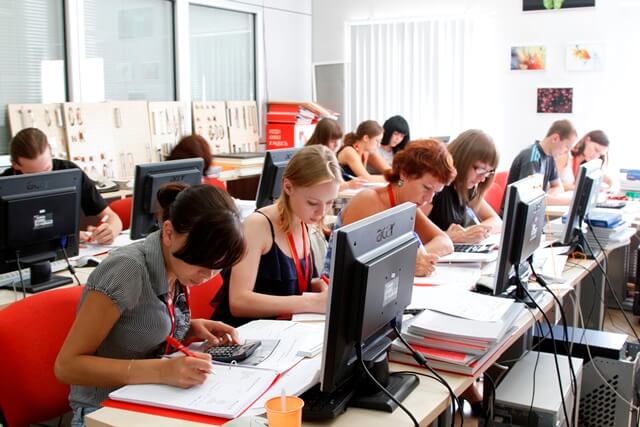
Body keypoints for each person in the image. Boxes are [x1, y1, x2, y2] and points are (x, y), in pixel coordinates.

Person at [55, 183, 246, 427]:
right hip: (103, 412)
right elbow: (67, 366)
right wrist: (162, 371)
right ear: (168, 233)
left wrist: (190, 327)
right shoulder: (126, 270)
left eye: (217, 267)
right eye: (200, 263)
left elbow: (135, 328)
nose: (207, 276)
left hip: (152, 399)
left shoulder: (175, 265)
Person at [211, 145, 343, 326]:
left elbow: (283, 285)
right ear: (288, 187)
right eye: (313, 203)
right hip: (243, 335)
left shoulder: (305, 220)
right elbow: (238, 301)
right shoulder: (257, 226)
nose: (321, 212)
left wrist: (314, 285)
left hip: (285, 332)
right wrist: (309, 302)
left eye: (329, 203)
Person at [323, 139, 456, 279]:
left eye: (435, 192)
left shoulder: (407, 206)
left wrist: (417, 258)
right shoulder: (368, 200)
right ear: (404, 174)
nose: (429, 199)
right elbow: (351, 268)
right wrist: (407, 259)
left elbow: (445, 242)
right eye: (426, 188)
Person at [1, 127, 123, 244]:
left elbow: (111, 217)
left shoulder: (70, 172)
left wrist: (110, 230)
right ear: (15, 164)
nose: (43, 180)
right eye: (33, 176)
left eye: (47, 169)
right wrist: (63, 237)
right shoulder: (4, 185)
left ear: (50, 153)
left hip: (68, 251)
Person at [425, 129, 502, 243]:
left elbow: (496, 221)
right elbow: (413, 237)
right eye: (480, 170)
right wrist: (457, 236)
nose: (482, 179)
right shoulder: (436, 186)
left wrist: (470, 232)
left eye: (487, 172)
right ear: (462, 159)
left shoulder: (466, 186)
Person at [504, 119, 577, 210]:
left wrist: (546, 198)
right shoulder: (532, 157)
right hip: (517, 216)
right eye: (567, 147)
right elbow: (532, 199)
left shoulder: (550, 157)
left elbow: (558, 186)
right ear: (555, 138)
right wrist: (572, 201)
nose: (567, 152)